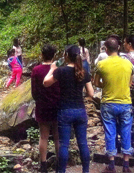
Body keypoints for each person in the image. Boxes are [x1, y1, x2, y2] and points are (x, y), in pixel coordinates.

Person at [44, 45, 94, 173]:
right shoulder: (84, 72)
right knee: (83, 143)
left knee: (64, 144)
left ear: (66, 56)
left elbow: (46, 83)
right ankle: (86, 171)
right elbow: (91, 93)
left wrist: (52, 69)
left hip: (65, 110)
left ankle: (61, 171)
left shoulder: (61, 71)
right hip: (80, 111)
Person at [94, 36, 134, 173]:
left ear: (105, 49)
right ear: (118, 48)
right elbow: (130, 82)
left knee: (110, 133)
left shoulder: (101, 64)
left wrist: (105, 85)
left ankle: (111, 164)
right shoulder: (128, 64)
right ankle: (126, 165)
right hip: (125, 102)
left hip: (108, 102)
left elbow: (96, 83)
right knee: (126, 132)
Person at [31, 45, 60, 173]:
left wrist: (39, 100)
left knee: (43, 136)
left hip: (42, 106)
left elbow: (34, 92)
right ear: (54, 56)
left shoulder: (36, 70)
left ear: (42, 55)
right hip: (58, 106)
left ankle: (43, 165)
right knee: (58, 137)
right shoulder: (59, 69)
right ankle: (60, 162)